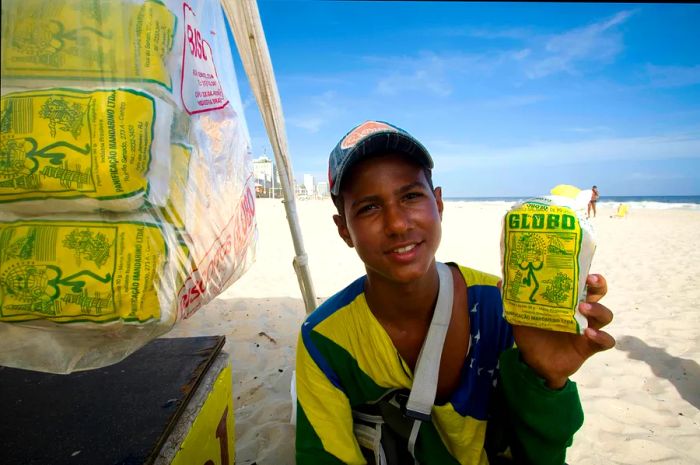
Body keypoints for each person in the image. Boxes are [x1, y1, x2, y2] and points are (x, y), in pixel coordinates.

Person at [295, 121, 615, 465]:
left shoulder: (505, 308)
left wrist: (549, 379)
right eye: (369, 208)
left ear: (439, 203)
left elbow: (541, 454)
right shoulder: (325, 341)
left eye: (410, 196)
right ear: (344, 228)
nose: (397, 224)